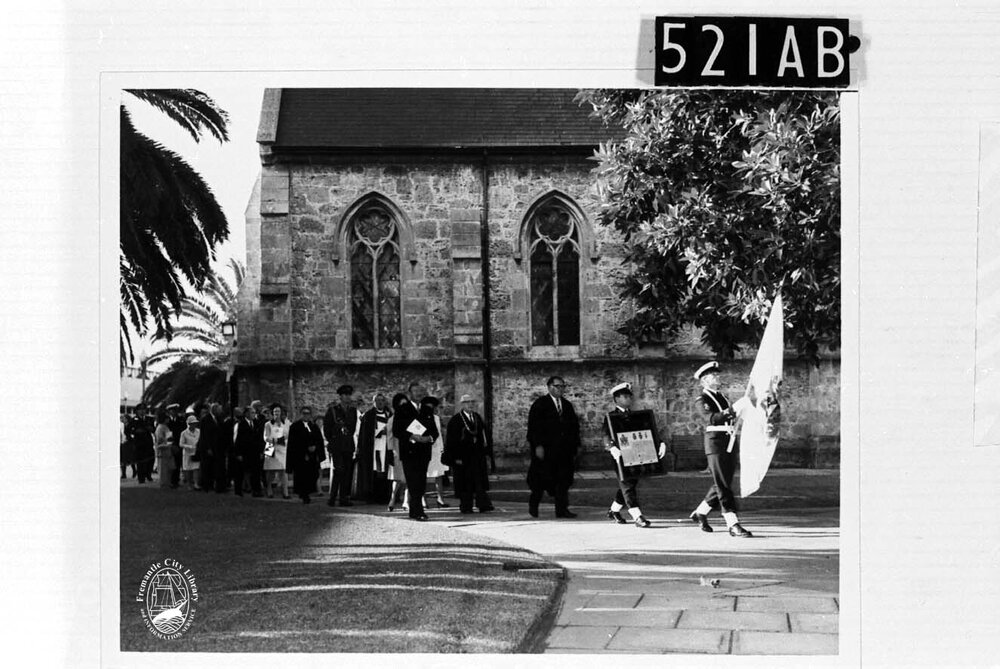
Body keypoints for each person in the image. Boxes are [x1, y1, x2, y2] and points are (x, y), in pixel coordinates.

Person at [689, 361, 753, 538]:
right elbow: (711, 418)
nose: (717, 377)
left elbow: (730, 417)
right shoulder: (702, 399)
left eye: (717, 374)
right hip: (715, 443)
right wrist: (732, 409)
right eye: (713, 375)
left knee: (722, 481)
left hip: (729, 441)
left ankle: (700, 513)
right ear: (703, 380)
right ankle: (732, 523)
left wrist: (741, 412)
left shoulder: (722, 397)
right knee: (723, 484)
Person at [603, 382, 668, 528]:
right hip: (620, 455)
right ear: (616, 399)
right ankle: (637, 516)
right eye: (624, 396)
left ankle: (613, 511)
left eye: (629, 396)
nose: (628, 399)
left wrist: (660, 442)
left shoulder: (636, 416)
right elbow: (606, 434)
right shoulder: (612, 417)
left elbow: (647, 431)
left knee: (630, 483)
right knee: (627, 484)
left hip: (636, 454)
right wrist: (611, 447)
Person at [526, 376, 580, 518]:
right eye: (557, 386)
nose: (560, 389)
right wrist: (537, 446)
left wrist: (576, 445)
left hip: (563, 451)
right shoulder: (540, 404)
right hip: (546, 450)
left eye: (562, 386)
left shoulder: (567, 405)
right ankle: (534, 504)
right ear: (549, 387)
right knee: (541, 480)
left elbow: (574, 427)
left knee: (563, 481)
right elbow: (534, 427)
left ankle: (562, 509)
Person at [443, 393, 494, 514]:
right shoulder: (456, 420)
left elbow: (483, 435)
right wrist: (455, 457)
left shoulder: (476, 417)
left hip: (477, 455)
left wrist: (486, 452)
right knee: (465, 482)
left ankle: (483, 504)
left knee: (479, 480)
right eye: (467, 402)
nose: (470, 404)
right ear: (462, 404)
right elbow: (451, 441)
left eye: (472, 402)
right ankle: (466, 505)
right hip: (463, 457)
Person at [393, 382, 436, 521]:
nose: (418, 393)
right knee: (413, 482)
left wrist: (428, 438)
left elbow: (434, 431)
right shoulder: (403, 409)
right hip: (409, 451)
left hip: (423, 451)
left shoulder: (427, 409)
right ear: (410, 393)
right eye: (415, 390)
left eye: (420, 390)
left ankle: (414, 510)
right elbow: (397, 430)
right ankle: (418, 511)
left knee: (421, 481)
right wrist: (411, 436)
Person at [324, 385, 360, 507]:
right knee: (338, 470)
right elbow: (327, 429)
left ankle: (344, 497)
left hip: (348, 445)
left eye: (349, 395)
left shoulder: (352, 411)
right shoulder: (333, 410)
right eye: (345, 395)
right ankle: (333, 497)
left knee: (347, 472)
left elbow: (353, 428)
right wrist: (334, 439)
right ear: (340, 396)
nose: (347, 397)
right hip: (337, 445)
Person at [358, 393, 392, 504]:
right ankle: (372, 496)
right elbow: (364, 434)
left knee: (385, 471)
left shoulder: (389, 415)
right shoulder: (368, 416)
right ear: (374, 402)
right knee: (375, 471)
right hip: (374, 448)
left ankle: (385, 496)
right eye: (378, 400)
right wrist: (380, 432)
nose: (380, 402)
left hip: (386, 448)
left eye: (382, 400)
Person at [286, 406, 325, 503]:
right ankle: (304, 494)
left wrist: (315, 447)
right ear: (301, 414)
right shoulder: (295, 427)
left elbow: (319, 440)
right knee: (301, 476)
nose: (306, 415)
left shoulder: (313, 426)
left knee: (312, 475)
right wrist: (305, 448)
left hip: (312, 457)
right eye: (304, 413)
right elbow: (293, 443)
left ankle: (308, 492)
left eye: (308, 413)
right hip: (300, 457)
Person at [422, 396, 450, 509]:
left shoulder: (437, 418)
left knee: (439, 475)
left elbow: (439, 435)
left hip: (437, 449)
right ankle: (423, 499)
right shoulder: (420, 418)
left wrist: (442, 449)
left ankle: (440, 499)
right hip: (426, 449)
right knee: (423, 475)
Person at [385, 392, 409, 512]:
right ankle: (393, 498)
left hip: (410, 450)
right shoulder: (392, 420)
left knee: (409, 476)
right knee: (397, 478)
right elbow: (389, 436)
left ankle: (406, 501)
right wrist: (390, 451)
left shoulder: (411, 418)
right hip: (397, 450)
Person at [228, 406, 258, 497]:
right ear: (246, 414)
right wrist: (238, 453)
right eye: (252, 412)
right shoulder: (240, 424)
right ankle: (238, 491)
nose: (254, 414)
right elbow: (236, 439)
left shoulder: (256, 423)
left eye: (254, 412)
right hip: (243, 452)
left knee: (255, 472)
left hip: (254, 452)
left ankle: (255, 490)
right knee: (240, 472)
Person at [263, 403, 291, 499]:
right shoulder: (267, 424)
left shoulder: (286, 423)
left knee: (283, 471)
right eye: (275, 411)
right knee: (270, 471)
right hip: (271, 448)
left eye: (278, 411)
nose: (276, 413)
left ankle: (285, 492)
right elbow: (266, 437)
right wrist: (273, 440)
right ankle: (269, 489)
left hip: (282, 449)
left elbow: (289, 435)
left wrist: (283, 440)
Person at [128, 404, 156, 484]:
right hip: (139, 443)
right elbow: (128, 431)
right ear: (137, 411)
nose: (142, 411)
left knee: (150, 460)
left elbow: (154, 429)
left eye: (144, 409)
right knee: (140, 462)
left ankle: (148, 474)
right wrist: (133, 437)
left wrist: (151, 429)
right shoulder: (134, 420)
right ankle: (141, 478)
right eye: (140, 409)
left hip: (148, 442)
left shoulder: (149, 419)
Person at [153, 408, 175, 489]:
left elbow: (169, 438)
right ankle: (163, 484)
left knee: (170, 468)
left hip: (168, 451)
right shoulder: (160, 428)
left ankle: (168, 483)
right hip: (162, 452)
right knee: (163, 470)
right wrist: (168, 444)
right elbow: (160, 441)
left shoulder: (166, 427)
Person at [179, 414, 201, 490]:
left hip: (196, 452)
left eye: (195, 423)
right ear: (189, 424)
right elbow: (181, 444)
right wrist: (189, 446)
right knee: (188, 469)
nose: (194, 425)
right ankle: (189, 484)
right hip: (187, 453)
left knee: (196, 468)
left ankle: (196, 484)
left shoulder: (199, 431)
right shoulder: (184, 433)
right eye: (192, 423)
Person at [166, 403, 185, 488]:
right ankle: (170, 480)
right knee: (170, 464)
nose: (174, 412)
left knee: (177, 463)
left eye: (175, 410)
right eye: (172, 411)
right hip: (170, 445)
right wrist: (171, 444)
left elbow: (183, 431)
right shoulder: (167, 421)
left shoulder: (181, 420)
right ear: (169, 412)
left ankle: (176, 480)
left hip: (179, 444)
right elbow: (167, 433)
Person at [314, 415, 332, 495]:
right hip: (317, 452)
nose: (320, 422)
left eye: (321, 421)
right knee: (318, 471)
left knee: (322, 472)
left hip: (325, 452)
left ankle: (321, 488)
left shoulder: (325, 429)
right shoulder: (313, 429)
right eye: (318, 421)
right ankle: (319, 489)